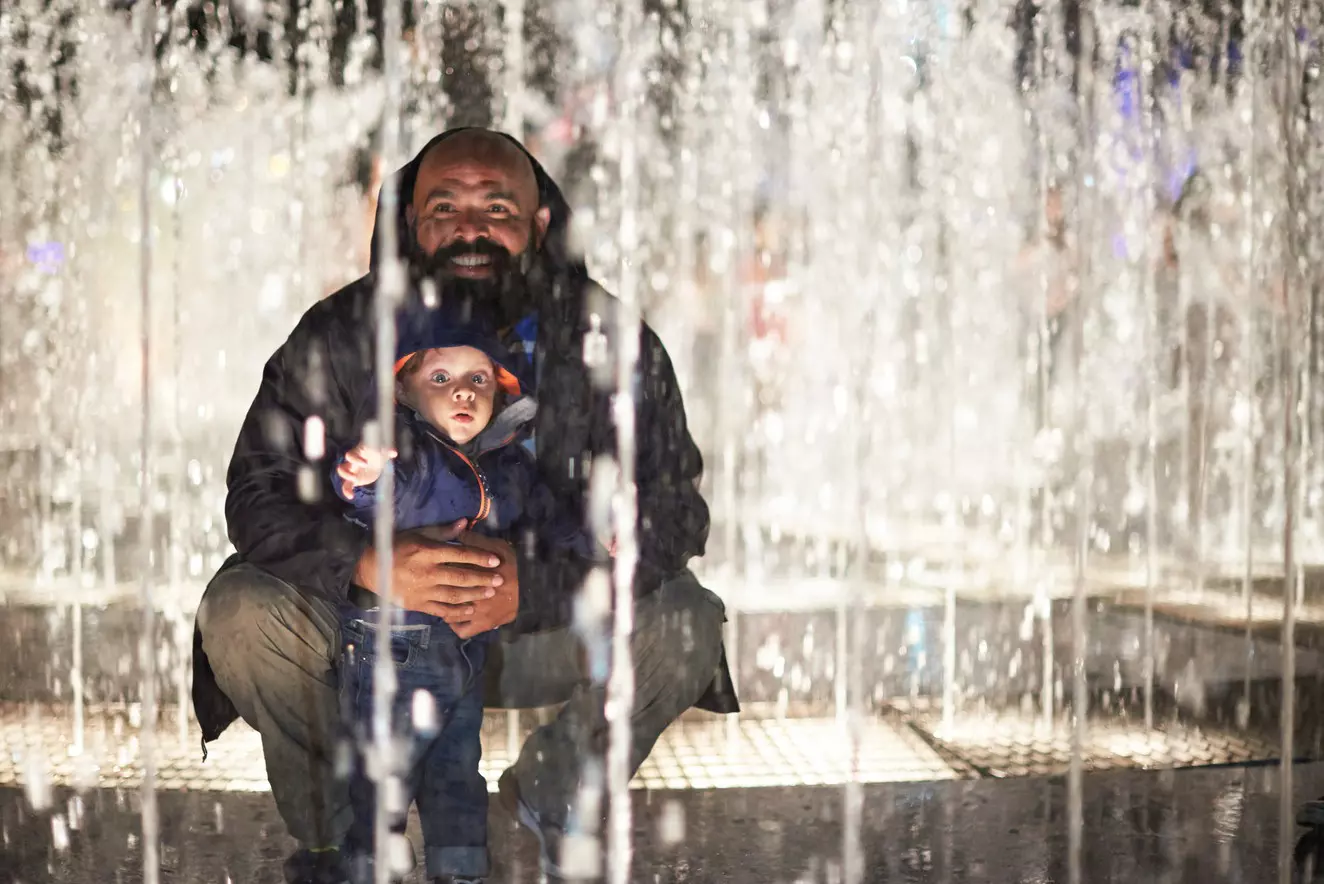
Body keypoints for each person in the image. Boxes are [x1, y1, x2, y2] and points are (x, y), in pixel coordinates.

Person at [191, 127, 738, 884]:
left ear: (539, 223)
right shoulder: (340, 336)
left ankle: (546, 796)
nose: (470, 228)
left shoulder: (610, 341)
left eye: (497, 207)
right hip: (371, 640)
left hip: (538, 630)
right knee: (240, 609)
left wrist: (536, 583)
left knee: (686, 622)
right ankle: (332, 833)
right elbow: (255, 493)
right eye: (443, 206)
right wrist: (369, 564)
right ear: (409, 224)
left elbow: (678, 512)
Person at [332, 294, 597, 884]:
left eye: (478, 378)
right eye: (442, 377)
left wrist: (596, 537)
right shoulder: (413, 456)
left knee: (458, 769)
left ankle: (461, 868)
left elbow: (552, 517)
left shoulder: (509, 469)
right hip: (391, 652)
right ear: (404, 390)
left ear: (501, 394)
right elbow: (379, 493)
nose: (462, 392)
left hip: (464, 654)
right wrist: (365, 474)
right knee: (384, 776)